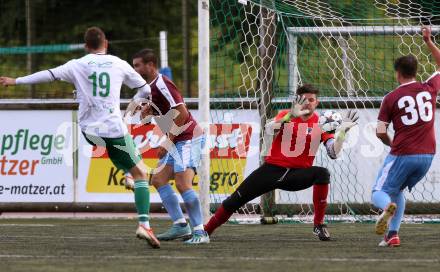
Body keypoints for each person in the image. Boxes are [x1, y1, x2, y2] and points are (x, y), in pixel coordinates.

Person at [0, 27, 160, 249]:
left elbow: (48, 74)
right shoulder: (119, 63)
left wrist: (16, 80)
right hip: (113, 129)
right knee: (141, 172)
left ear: (86, 46)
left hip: (89, 132)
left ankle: (126, 174)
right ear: (106, 43)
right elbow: (144, 90)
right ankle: (144, 224)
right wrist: (132, 107)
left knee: (117, 147)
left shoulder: (76, 65)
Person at [204, 84, 359, 241]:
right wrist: (290, 116)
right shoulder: (286, 115)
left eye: (311, 100)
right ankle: (205, 231)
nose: (308, 103)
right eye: (304, 99)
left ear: (317, 103)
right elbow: (270, 129)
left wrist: (341, 134)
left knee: (322, 173)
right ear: (298, 101)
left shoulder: (322, 123)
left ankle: (318, 225)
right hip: (272, 170)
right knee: (234, 201)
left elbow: (333, 153)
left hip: (296, 175)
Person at [130, 48, 209, 244]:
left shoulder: (162, 83)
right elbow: (154, 116)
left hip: (189, 137)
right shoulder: (148, 89)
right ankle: (181, 226)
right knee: (158, 179)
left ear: (150, 65)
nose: (135, 69)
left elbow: (181, 113)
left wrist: (168, 140)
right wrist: (146, 113)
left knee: (183, 183)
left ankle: (200, 232)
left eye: (137, 65)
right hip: (178, 138)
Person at [372, 26, 440, 247]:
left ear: (397, 73)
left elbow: (380, 131)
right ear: (416, 71)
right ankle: (393, 234)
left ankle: (385, 209)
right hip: (428, 155)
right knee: (398, 190)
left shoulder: (391, 98)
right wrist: (428, 41)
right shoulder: (429, 88)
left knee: (379, 192)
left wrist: (391, 144)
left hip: (403, 153)